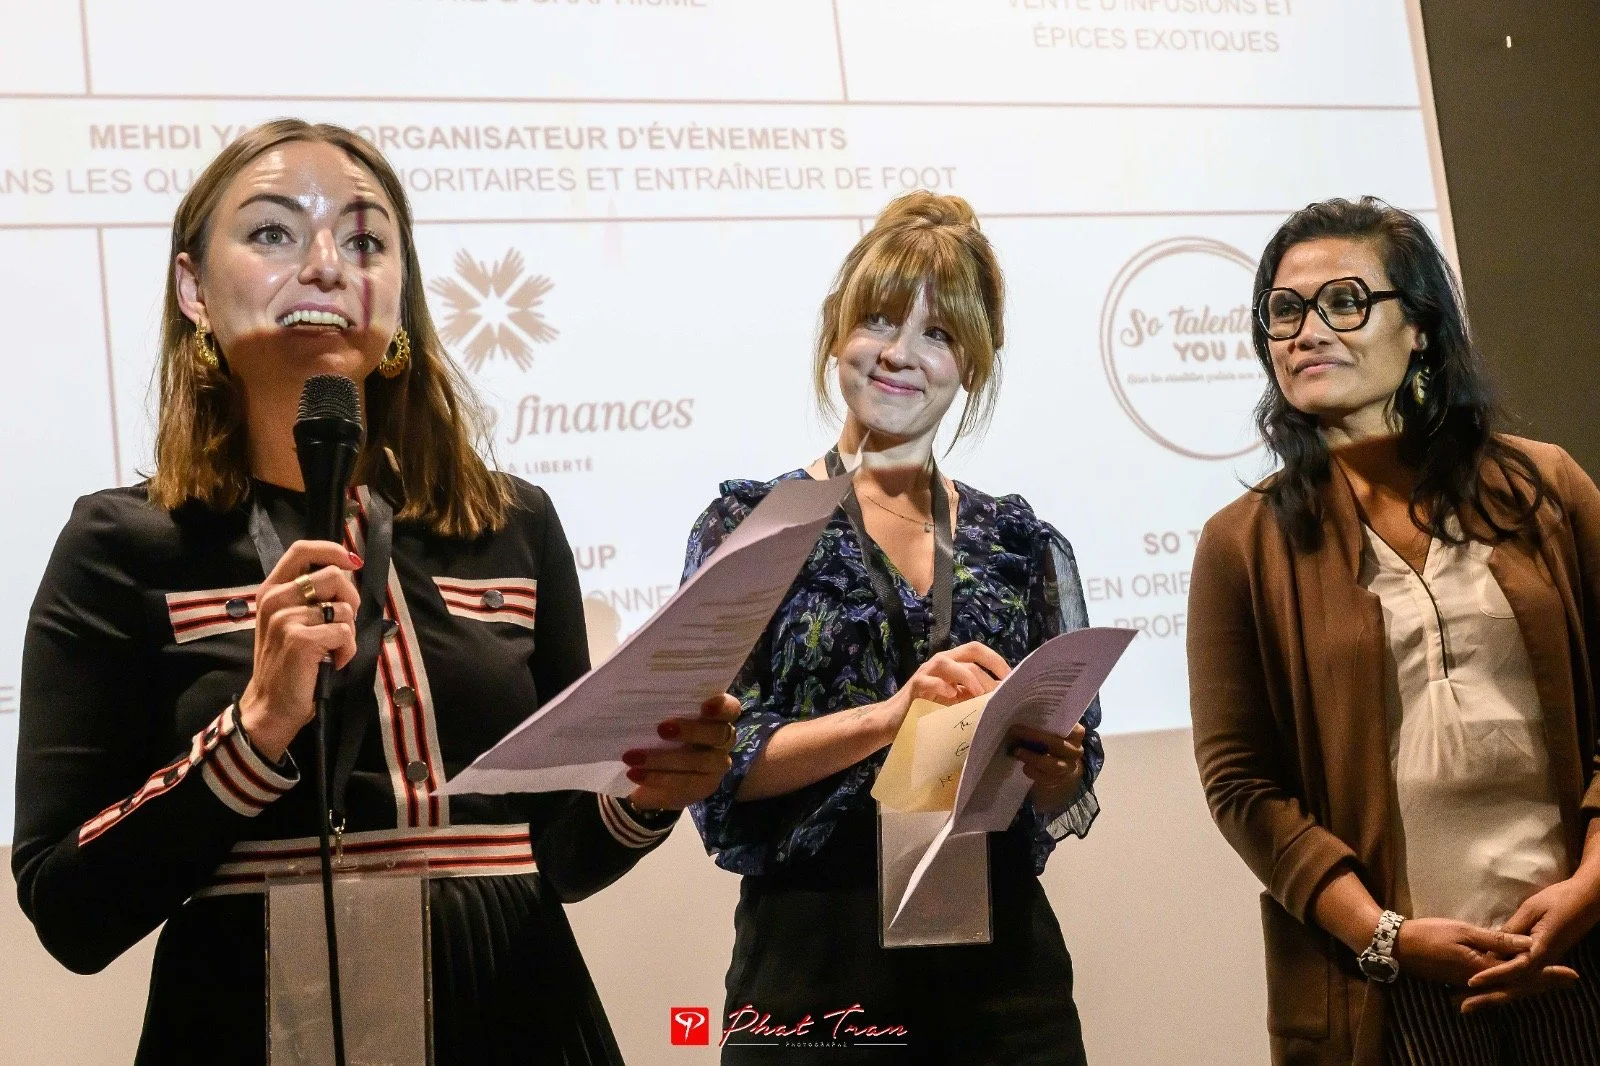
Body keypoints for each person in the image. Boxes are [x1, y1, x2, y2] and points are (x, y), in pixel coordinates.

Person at [11, 118, 738, 1066]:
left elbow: (557, 856)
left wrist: (645, 797)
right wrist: (257, 725)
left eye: (364, 241)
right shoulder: (122, 544)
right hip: (249, 1018)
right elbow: (69, 911)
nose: (324, 264)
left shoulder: (511, 522)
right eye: (273, 232)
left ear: (400, 302)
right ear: (192, 287)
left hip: (513, 1012)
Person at [682, 192, 1103, 1064]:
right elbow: (711, 764)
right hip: (813, 973)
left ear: (972, 369)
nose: (901, 354)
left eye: (939, 335)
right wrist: (892, 718)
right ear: (839, 337)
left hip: (1004, 977)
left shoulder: (1018, 543)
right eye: (879, 320)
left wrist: (1056, 768)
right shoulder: (752, 528)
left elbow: (1070, 774)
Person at [1188, 196, 1600, 1064]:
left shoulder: (1548, 488)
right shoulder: (1242, 545)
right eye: (1285, 310)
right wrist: (1384, 937)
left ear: (1419, 329)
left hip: (1585, 955)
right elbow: (1242, 787)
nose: (1308, 331)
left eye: (1344, 301)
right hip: (1388, 996)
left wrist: (1593, 890)